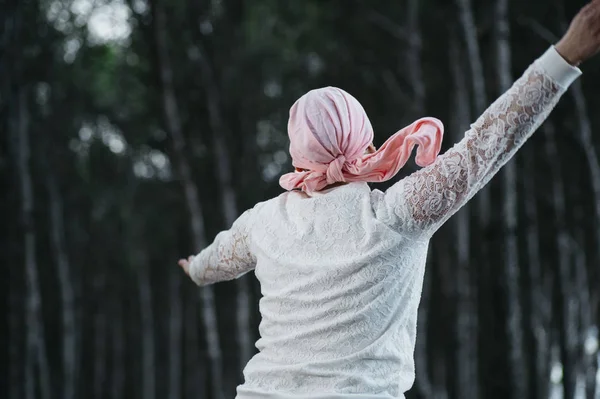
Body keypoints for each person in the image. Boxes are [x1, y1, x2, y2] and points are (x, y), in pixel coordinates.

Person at [178, 2, 600, 398]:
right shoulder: (395, 214)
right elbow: (487, 143)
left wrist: (194, 269)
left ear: (297, 152)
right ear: (364, 141)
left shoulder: (262, 222)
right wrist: (564, 56)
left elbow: (215, 260)